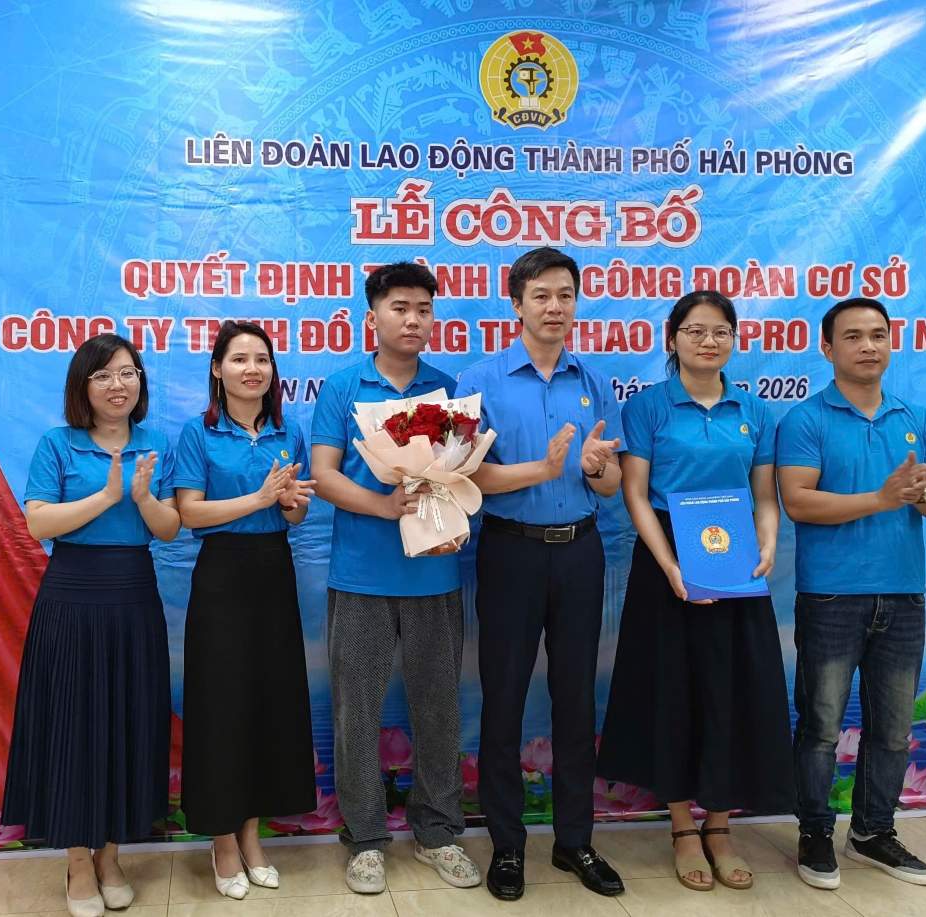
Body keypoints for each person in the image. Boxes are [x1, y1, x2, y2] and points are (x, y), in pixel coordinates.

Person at [597, 291, 795, 892]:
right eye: (694, 330)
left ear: (734, 340)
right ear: (672, 339)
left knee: (732, 691)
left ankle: (721, 824)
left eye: (720, 332)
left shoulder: (754, 413)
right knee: (673, 693)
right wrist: (670, 568)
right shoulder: (650, 408)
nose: (708, 342)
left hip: (737, 569)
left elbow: (764, 495)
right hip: (667, 568)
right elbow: (635, 493)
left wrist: (767, 546)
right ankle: (683, 825)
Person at [454, 247, 625, 901]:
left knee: (576, 700)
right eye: (543, 295)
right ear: (517, 302)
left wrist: (591, 465)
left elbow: (609, 485)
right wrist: (543, 468)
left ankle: (574, 841)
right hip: (511, 552)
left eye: (566, 294)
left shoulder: (594, 378)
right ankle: (506, 845)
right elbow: (468, 474)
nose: (556, 307)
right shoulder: (484, 379)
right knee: (503, 698)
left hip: (580, 552)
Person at [777, 297, 926, 890]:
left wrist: (920, 493)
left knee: (894, 728)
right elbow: (799, 502)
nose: (868, 346)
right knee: (822, 725)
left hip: (904, 598)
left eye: (878, 335)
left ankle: (873, 832)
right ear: (827, 348)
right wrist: (883, 498)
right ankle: (813, 833)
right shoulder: (806, 420)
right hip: (831, 598)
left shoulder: (917, 417)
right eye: (853, 336)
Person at [310, 262, 480, 895]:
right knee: (357, 711)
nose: (413, 320)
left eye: (423, 310)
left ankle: (439, 833)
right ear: (372, 316)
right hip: (361, 576)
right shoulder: (341, 388)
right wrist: (381, 505)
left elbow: (462, 472)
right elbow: (324, 474)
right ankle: (365, 838)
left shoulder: (448, 390)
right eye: (400, 307)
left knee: (438, 710)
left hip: (436, 574)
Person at [5, 333, 179, 917]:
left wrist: (141, 497)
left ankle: (110, 854)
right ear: (83, 386)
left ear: (141, 383)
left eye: (128, 373)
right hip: (72, 597)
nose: (118, 385)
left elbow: (169, 529)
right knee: (75, 726)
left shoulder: (155, 444)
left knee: (124, 722)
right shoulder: (58, 444)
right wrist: (107, 496)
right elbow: (38, 525)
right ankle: (78, 858)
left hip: (134, 597)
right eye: (103, 375)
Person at [174, 320, 318, 900]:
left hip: (273, 571)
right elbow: (188, 513)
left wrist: (287, 504)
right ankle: (222, 841)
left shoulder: (289, 430)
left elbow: (296, 515)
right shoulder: (198, 432)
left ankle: (253, 833)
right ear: (218, 369)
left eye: (261, 359)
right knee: (221, 706)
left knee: (268, 703)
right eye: (239, 359)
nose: (251, 369)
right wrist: (257, 498)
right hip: (222, 577)